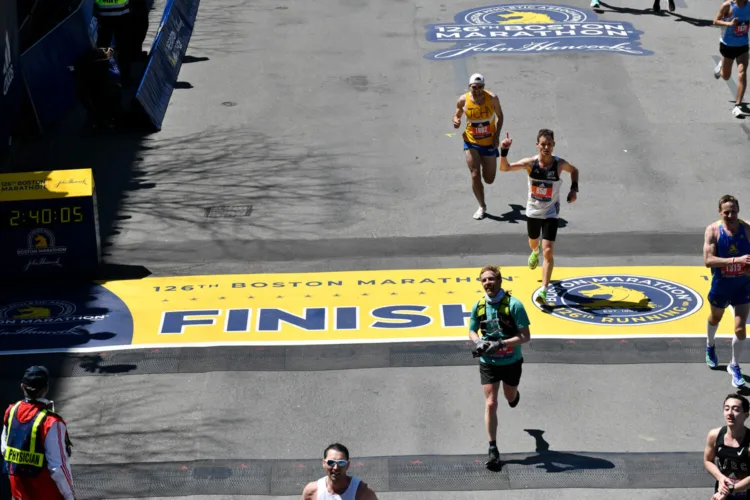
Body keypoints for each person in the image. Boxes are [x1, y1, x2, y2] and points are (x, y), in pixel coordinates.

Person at [499, 129, 579, 306]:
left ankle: (544, 289)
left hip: (551, 213)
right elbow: (504, 168)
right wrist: (504, 151)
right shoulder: (530, 164)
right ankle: (534, 252)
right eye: (543, 144)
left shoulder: (559, 164)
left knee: (548, 250)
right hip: (533, 212)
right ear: (537, 145)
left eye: (549, 144)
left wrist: (574, 189)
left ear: (553, 145)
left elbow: (574, 171)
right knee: (534, 243)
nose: (546, 147)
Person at [468, 265, 531, 468]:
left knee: (509, 397)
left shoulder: (515, 305)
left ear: (499, 281)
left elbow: (525, 337)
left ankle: (514, 395)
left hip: (511, 361)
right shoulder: (478, 306)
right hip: (489, 363)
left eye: (491, 279)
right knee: (491, 403)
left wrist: (501, 344)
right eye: (484, 280)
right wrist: (478, 342)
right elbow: (471, 331)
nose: (488, 283)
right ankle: (493, 448)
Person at [1, 366, 75, 500]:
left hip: (19, 493)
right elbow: (58, 467)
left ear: (22, 387)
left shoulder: (11, 411)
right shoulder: (51, 422)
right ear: (46, 388)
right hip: (46, 494)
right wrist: (70, 496)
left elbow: (5, 449)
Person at [704, 195, 750, 388]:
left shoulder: (747, 229)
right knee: (715, 318)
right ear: (720, 212)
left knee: (740, 329)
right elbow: (708, 261)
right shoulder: (714, 230)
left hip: (743, 286)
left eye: (734, 212)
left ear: (738, 211)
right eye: (726, 212)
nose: (730, 215)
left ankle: (735, 365)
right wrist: (735, 261)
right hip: (722, 285)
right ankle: (710, 345)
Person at [452, 73, 504, 220]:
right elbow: (456, 115)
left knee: (489, 179)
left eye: (480, 87)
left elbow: (500, 116)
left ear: (484, 87)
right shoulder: (463, 100)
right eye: (474, 87)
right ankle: (482, 206)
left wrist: (496, 136)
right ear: (469, 87)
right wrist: (456, 121)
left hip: (489, 143)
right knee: (475, 174)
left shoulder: (492, 98)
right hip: (471, 141)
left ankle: (482, 199)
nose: (478, 90)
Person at [703, 394, 750, 499]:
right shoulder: (714, 435)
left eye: (736, 409)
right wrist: (720, 478)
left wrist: (729, 489)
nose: (730, 413)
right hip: (722, 490)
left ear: (746, 415)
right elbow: (708, 461)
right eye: (726, 409)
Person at [300, 443, 378, 500]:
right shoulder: (312, 491)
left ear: (347, 465)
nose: (336, 467)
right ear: (324, 463)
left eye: (341, 463)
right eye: (331, 462)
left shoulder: (361, 491)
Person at [713, 0, 750, 118]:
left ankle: (738, 106)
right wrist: (728, 24)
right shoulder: (727, 6)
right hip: (728, 45)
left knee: (742, 73)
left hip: (743, 45)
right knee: (726, 76)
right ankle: (721, 66)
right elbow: (715, 21)